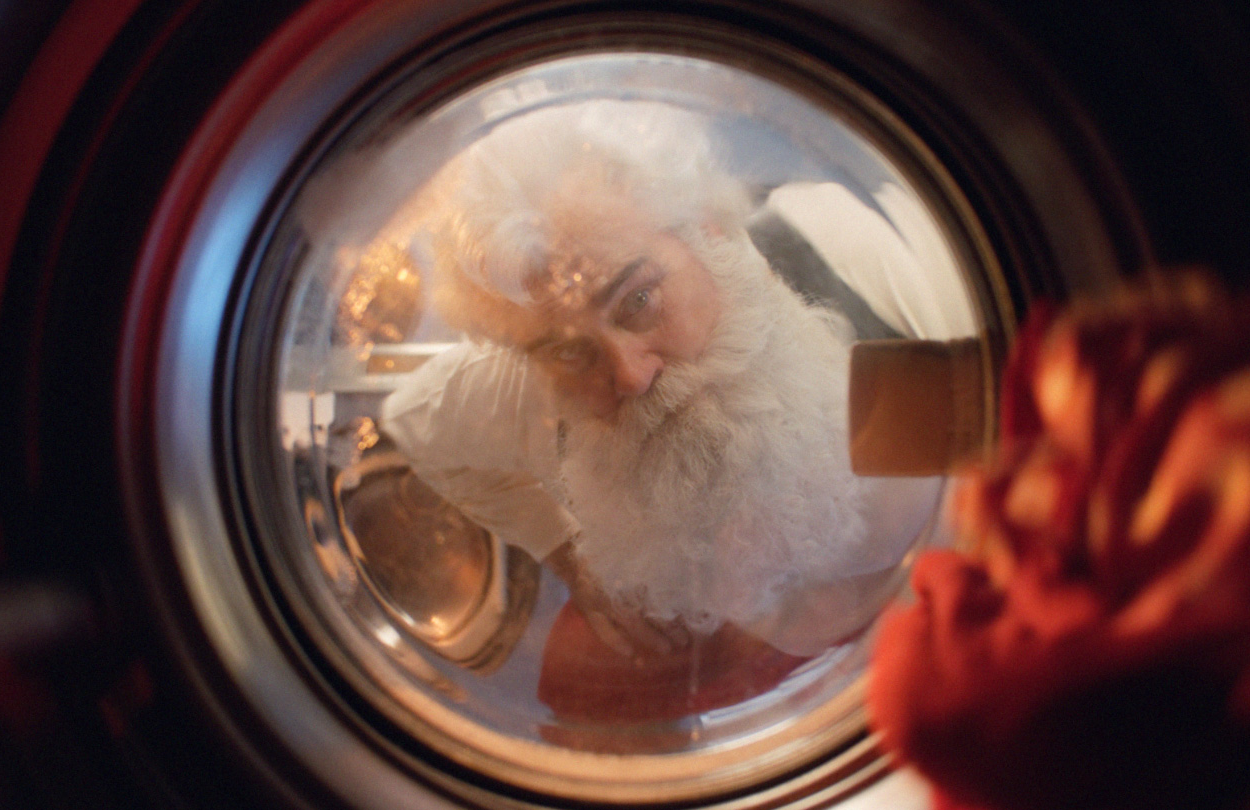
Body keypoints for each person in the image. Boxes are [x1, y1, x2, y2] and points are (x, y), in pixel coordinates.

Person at [378, 100, 934, 665]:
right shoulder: (523, 396)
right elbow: (413, 423)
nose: (630, 374)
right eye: (571, 352)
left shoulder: (849, 244)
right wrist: (567, 554)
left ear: (705, 227)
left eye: (638, 300)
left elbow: (1017, 396)